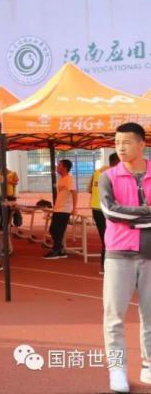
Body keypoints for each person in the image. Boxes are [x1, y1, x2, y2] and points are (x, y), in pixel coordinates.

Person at [99, 122, 151, 393]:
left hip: (150, 254)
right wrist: (146, 212)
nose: (120, 147)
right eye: (117, 142)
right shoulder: (108, 177)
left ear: (142, 144)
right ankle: (117, 369)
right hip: (119, 254)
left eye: (127, 142)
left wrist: (131, 216)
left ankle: (149, 364)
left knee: (150, 314)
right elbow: (111, 212)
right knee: (114, 315)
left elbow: (122, 213)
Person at [90, 153, 120, 273]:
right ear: (118, 162)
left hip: (97, 209)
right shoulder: (114, 174)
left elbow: (89, 190)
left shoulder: (97, 172)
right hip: (106, 210)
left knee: (106, 238)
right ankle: (107, 266)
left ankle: (106, 265)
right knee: (112, 238)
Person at [43, 159, 77, 259]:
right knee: (54, 230)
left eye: (59, 165)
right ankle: (60, 250)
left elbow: (74, 193)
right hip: (58, 208)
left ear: (65, 168)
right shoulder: (61, 178)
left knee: (57, 230)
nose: (57, 167)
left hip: (64, 209)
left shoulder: (69, 179)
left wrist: (74, 208)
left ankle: (56, 250)